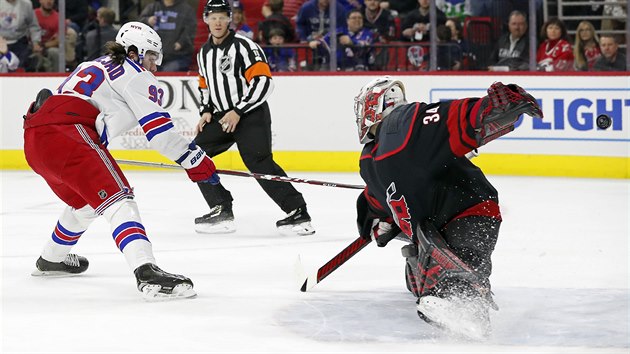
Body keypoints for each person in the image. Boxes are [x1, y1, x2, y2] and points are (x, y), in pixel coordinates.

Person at [23, 22, 220, 300]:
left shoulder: (91, 65)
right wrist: (197, 161)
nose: (154, 65)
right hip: (68, 135)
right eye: (151, 56)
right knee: (119, 198)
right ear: (134, 51)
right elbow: (161, 134)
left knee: (88, 202)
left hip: (35, 139)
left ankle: (51, 258)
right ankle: (146, 272)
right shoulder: (136, 74)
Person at [353, 76, 542, 339]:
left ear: (372, 106)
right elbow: (375, 198)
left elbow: (448, 118)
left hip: (466, 208)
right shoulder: (370, 160)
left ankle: (462, 294)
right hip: (437, 223)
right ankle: (449, 285)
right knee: (430, 263)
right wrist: (378, 222)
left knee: (467, 255)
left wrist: (487, 109)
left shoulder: (401, 123)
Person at [195, 0, 315, 236]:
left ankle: (297, 211)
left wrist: (238, 110)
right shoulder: (204, 53)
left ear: (230, 19)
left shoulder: (245, 47)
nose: (218, 21)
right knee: (194, 155)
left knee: (259, 162)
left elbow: (263, 82)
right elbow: (204, 85)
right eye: (213, 16)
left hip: (250, 114)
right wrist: (206, 109)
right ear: (206, 19)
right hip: (221, 117)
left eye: (222, 16)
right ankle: (221, 206)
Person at [138, 0, 197, 72]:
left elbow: (191, 30)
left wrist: (181, 43)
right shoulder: (152, 7)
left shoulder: (187, 10)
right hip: (154, 55)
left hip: (178, 56)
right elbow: (138, 25)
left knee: (169, 70)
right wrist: (148, 20)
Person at [308, 9, 375, 71]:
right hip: (337, 67)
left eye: (360, 18)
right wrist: (316, 42)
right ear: (347, 21)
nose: (357, 20)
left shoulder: (367, 33)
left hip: (358, 66)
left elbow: (366, 44)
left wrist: (351, 42)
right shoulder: (339, 31)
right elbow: (324, 40)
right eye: (354, 18)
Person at [34, 0, 78, 71]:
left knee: (54, 52)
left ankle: (57, 76)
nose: (49, 1)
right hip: (32, 45)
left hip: (49, 46)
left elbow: (59, 40)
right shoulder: (33, 15)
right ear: (40, 1)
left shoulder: (58, 18)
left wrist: (43, 46)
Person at [0, 0, 43, 70]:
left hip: (20, 43)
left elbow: (33, 26)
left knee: (18, 70)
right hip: (1, 42)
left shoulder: (26, 4)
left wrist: (36, 42)